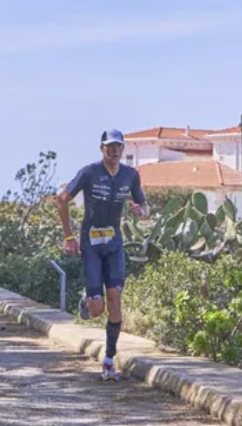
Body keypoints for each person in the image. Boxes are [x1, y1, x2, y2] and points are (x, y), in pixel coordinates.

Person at [56, 128, 149, 381]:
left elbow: (144, 205)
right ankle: (87, 301)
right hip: (92, 244)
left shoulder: (131, 175)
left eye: (119, 146)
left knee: (115, 297)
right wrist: (68, 237)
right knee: (97, 310)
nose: (115, 151)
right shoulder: (89, 172)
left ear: (123, 148)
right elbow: (61, 200)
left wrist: (141, 212)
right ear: (102, 149)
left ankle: (109, 360)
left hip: (115, 244)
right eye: (110, 147)